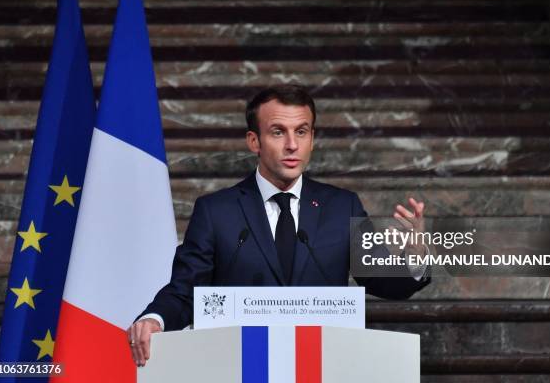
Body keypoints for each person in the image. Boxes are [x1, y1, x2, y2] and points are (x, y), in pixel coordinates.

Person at [128, 84, 430, 366]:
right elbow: (185, 291)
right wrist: (156, 319)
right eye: (277, 132)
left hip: (321, 366)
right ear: (253, 141)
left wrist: (416, 257)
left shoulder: (342, 206)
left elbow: (382, 279)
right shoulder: (216, 211)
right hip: (239, 367)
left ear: (312, 138)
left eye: (301, 131)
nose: (291, 145)